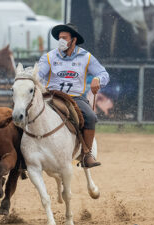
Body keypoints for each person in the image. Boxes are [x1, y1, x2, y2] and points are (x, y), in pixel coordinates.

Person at [38, 23, 110, 168]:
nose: (61, 41)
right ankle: (21, 156)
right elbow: (38, 74)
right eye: (59, 38)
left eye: (64, 38)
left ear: (74, 40)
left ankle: (87, 154)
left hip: (75, 98)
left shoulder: (86, 57)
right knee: (27, 114)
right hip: (52, 97)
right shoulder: (49, 57)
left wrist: (98, 80)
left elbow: (104, 74)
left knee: (90, 117)